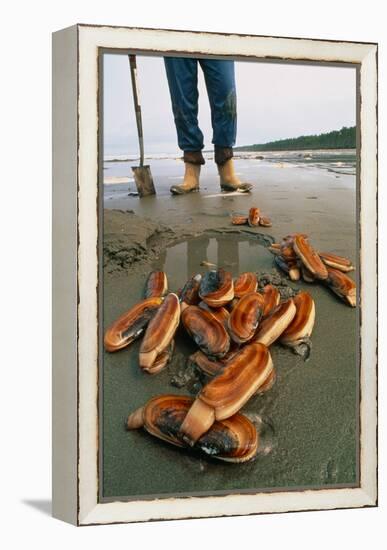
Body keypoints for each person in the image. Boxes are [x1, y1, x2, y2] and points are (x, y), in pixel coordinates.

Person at [164, 57, 252, 195]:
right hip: (174, 37)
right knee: (181, 98)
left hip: (219, 37)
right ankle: (191, 171)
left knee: (226, 93)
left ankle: (226, 170)